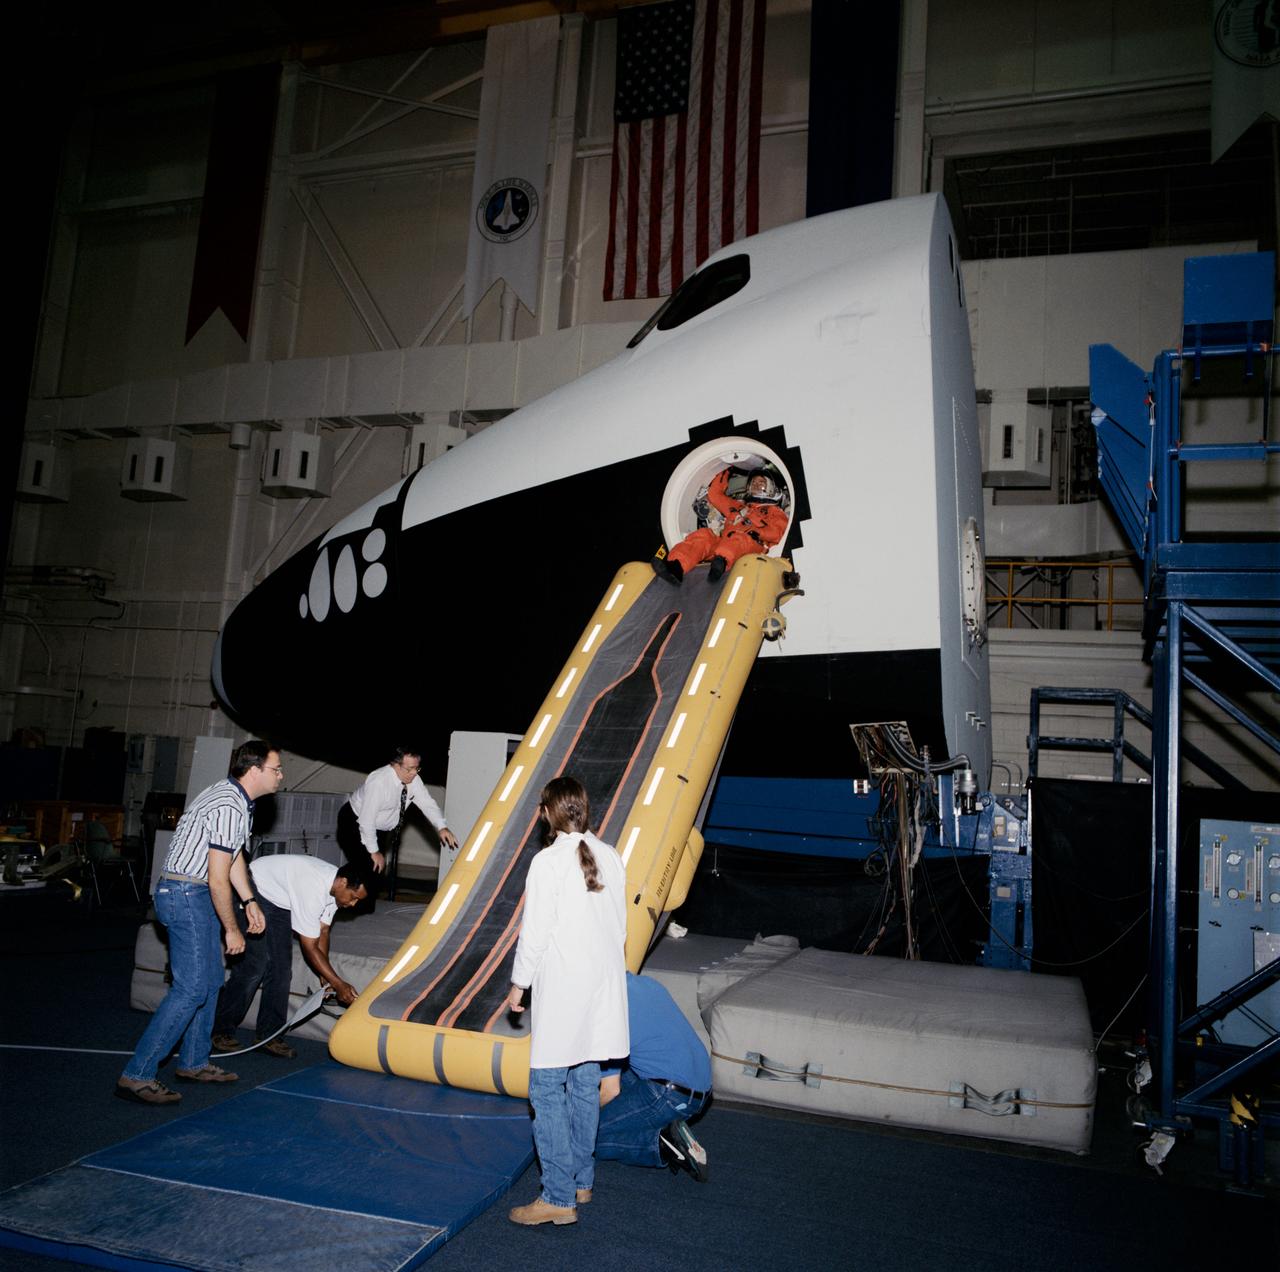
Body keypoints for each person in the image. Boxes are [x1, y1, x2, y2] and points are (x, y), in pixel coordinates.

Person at [116, 740, 284, 1105]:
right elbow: (217, 877)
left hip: (194, 894)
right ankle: (137, 1075)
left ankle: (193, 1062)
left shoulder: (238, 800)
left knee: (209, 982)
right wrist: (233, 929)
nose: (281, 775)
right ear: (253, 770)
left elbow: (233, 857)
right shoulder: (228, 805)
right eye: (276, 769)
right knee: (191, 988)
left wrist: (250, 900)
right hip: (185, 894)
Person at [505, 776, 628, 1227]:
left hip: (565, 990)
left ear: (546, 813)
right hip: (601, 990)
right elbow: (621, 929)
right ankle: (581, 1180)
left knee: (546, 1089)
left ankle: (557, 1195)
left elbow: (535, 933)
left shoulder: (547, 861)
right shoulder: (611, 855)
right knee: (583, 1083)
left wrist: (519, 984)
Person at [210, 856, 370, 1059]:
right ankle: (220, 1030)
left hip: (278, 900)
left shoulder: (335, 889)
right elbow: (309, 946)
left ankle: (269, 1036)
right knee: (254, 966)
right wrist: (338, 984)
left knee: (281, 970)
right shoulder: (313, 887)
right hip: (252, 887)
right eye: (353, 897)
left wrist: (326, 975)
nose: (353, 904)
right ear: (343, 882)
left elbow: (323, 931)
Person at [597, 972, 711, 1182]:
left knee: (582, 1137)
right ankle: (652, 1123)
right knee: (617, 1063)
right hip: (700, 1084)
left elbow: (609, 1091)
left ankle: (661, 1143)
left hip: (670, 1095)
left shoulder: (609, 1011)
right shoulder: (643, 982)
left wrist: (574, 1115)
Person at [336, 747, 458, 899]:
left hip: (379, 828)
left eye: (417, 768)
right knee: (367, 865)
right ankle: (337, 891)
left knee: (375, 871)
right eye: (409, 769)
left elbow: (427, 804)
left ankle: (361, 905)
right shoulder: (379, 782)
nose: (414, 773)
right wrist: (374, 851)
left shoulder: (414, 780)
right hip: (353, 822)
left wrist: (442, 827)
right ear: (395, 765)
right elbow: (367, 821)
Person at [653, 466, 788, 586]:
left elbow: (779, 532)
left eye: (761, 482)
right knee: (705, 535)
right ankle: (676, 567)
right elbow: (715, 494)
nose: (756, 485)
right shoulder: (738, 507)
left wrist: (758, 532)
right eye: (753, 483)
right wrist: (727, 469)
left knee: (738, 538)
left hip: (751, 548)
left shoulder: (774, 511)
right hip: (724, 545)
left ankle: (721, 565)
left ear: (770, 488)